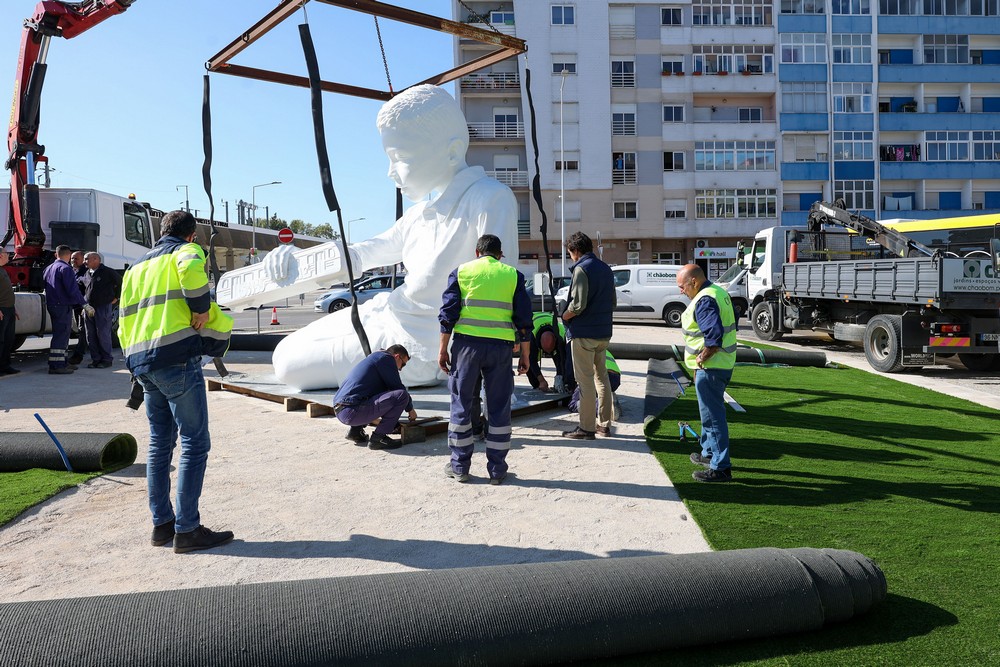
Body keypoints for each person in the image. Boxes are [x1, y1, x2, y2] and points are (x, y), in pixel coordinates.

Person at [215, 84, 519, 390]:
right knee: (285, 350)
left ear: (451, 151)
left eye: (399, 157)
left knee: (288, 363)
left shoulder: (490, 199)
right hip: (387, 313)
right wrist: (295, 259)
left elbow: (503, 283)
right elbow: (364, 254)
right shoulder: (418, 215)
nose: (390, 172)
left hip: (422, 348)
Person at [118, 210, 235, 553]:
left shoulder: (137, 266)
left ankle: (162, 525)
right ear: (191, 235)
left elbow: (123, 318)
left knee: (159, 445)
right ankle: (187, 530)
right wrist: (201, 308)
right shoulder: (185, 251)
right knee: (195, 444)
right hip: (176, 358)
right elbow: (190, 270)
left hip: (142, 363)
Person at [439, 234, 532, 485]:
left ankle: (460, 467)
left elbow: (448, 315)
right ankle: (497, 470)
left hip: (466, 347)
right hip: (501, 349)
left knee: (462, 403)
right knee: (499, 406)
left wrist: (442, 350)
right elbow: (524, 321)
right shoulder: (513, 275)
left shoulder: (461, 272)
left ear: (477, 252)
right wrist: (525, 355)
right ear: (500, 254)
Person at [676, 264, 738, 483]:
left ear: (694, 282)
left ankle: (721, 468)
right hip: (722, 364)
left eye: (682, 286)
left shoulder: (704, 299)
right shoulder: (718, 292)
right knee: (709, 415)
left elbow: (713, 338)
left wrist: (701, 358)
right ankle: (709, 454)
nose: (680, 291)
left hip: (711, 367)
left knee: (713, 417)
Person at [561, 232, 616, 439]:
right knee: (602, 378)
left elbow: (578, 305)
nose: (571, 257)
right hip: (603, 333)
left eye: (570, 253)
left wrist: (564, 315)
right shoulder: (606, 269)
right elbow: (613, 302)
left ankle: (586, 428)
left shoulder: (582, 269)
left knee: (584, 381)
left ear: (575, 250)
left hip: (584, 334)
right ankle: (604, 424)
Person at [332, 344, 417, 450]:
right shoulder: (386, 359)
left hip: (342, 410)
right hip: (352, 411)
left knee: (380, 392)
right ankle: (378, 438)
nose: (400, 369)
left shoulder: (375, 358)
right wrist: (410, 409)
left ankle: (355, 432)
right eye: (403, 364)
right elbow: (398, 387)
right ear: (396, 356)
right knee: (402, 396)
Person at [42, 245, 86, 374]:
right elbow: (72, 290)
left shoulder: (49, 268)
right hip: (62, 305)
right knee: (62, 334)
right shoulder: (66, 269)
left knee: (61, 334)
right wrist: (84, 303)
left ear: (57, 254)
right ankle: (57, 365)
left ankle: (62, 362)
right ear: (68, 254)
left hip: (53, 304)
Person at [82, 251, 121, 369]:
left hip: (103, 306)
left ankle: (106, 359)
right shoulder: (87, 273)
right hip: (89, 308)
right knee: (91, 334)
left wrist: (116, 298)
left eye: (86, 259)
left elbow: (121, 283)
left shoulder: (107, 272)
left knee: (103, 333)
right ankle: (96, 359)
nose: (84, 262)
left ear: (96, 260)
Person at [526, 311, 572, 393]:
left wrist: (560, 377)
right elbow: (531, 360)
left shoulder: (561, 334)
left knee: (563, 360)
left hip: (551, 326)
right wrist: (541, 380)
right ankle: (538, 385)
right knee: (527, 360)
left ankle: (564, 383)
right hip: (534, 320)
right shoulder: (531, 335)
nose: (548, 354)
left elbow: (562, 360)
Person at [568, 350, 622, 418]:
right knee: (595, 393)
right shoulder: (603, 349)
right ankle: (610, 401)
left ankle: (605, 408)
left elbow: (573, 373)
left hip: (599, 377)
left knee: (572, 404)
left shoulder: (583, 349)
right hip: (615, 380)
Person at [0, 248, 19, 376]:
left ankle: (5, 366)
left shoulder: (2, 270)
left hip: (9, 309)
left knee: (8, 339)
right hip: (2, 310)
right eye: (7, 253)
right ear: (1, 255)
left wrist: (13, 308)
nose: (9, 255)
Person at [68, 250, 88, 365]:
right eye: (72, 258)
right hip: (74, 306)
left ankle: (78, 355)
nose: (73, 261)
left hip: (82, 306)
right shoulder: (70, 271)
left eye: (76, 259)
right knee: (80, 330)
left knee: (82, 330)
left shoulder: (86, 272)